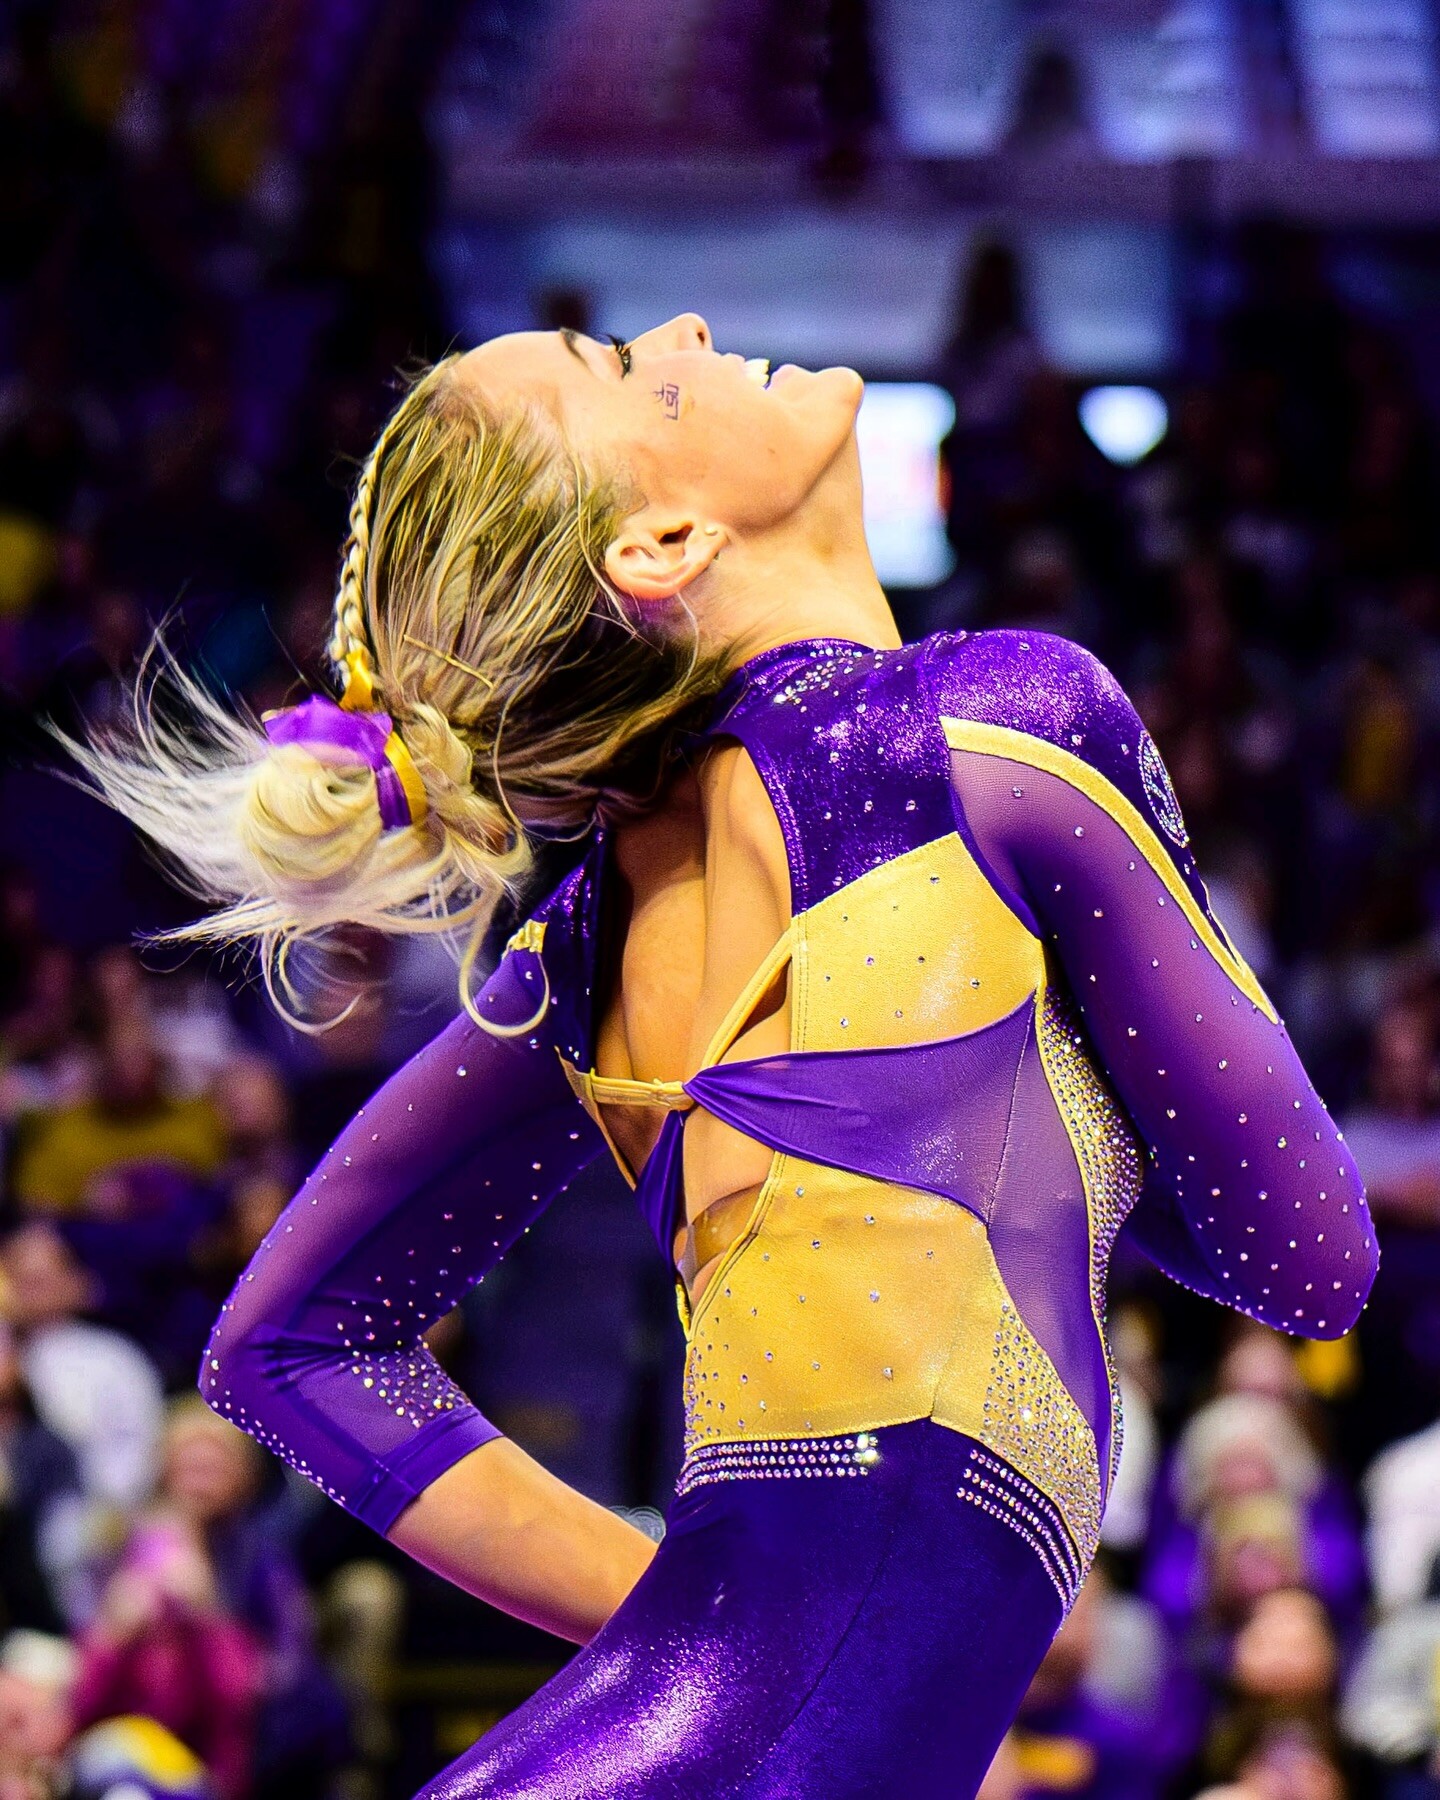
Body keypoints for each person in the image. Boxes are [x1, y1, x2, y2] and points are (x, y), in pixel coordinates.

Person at [71, 314, 1378, 1798]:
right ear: (662, 543)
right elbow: (1309, 1259)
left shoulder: (587, 946)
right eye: (623, 365)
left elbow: (291, 1347)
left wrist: (691, 1635)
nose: (684, 327)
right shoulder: (994, 729)